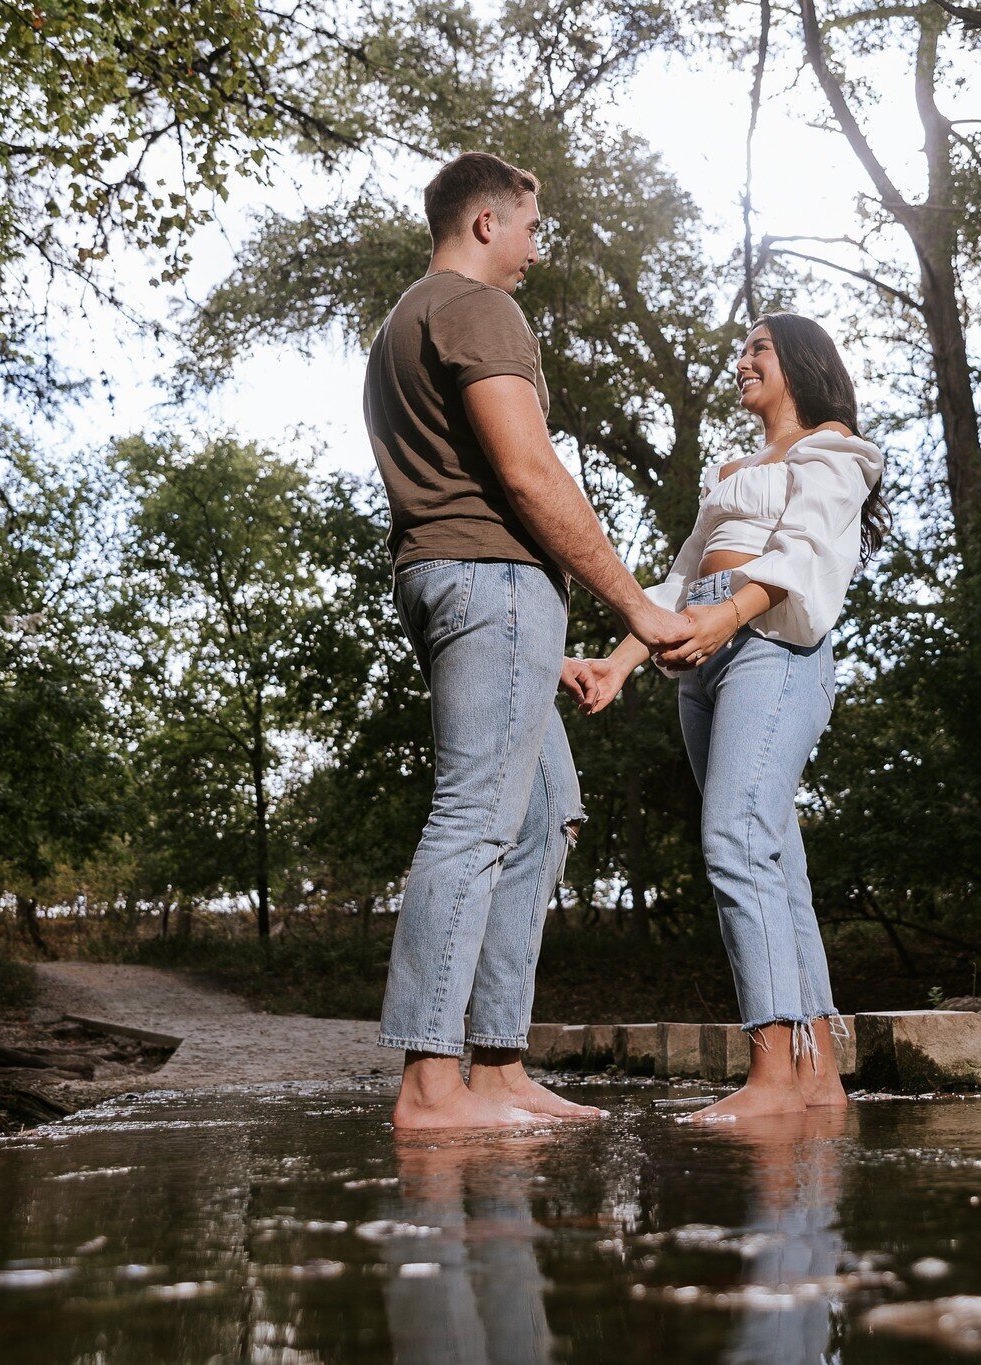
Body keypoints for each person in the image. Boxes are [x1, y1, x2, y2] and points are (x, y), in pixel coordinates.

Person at [365, 151, 696, 1130]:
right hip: (491, 582)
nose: (534, 253)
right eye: (529, 229)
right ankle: (431, 1083)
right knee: (475, 817)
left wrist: (526, 647)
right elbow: (525, 471)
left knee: (546, 807)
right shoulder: (475, 307)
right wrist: (636, 606)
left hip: (470, 594)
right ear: (483, 223)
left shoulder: (402, 324)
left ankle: (498, 1067)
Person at [570, 314, 887, 1121]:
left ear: (803, 364)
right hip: (701, 660)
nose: (742, 360)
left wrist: (727, 619)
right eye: (741, 348)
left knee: (736, 839)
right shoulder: (735, 469)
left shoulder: (835, 449)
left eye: (760, 348)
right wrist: (621, 658)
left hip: (773, 648)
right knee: (772, 855)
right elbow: (681, 578)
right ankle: (818, 1080)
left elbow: (804, 550)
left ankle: (774, 1075)